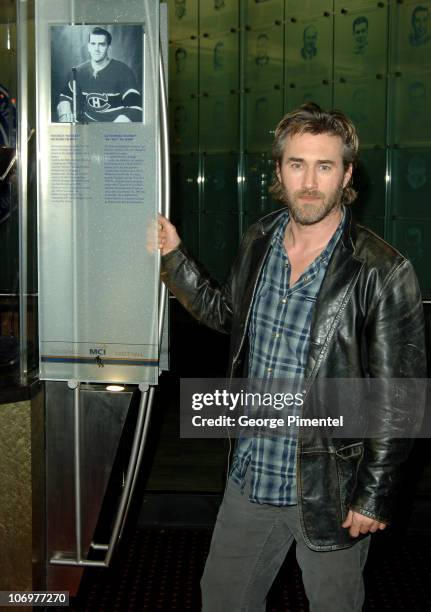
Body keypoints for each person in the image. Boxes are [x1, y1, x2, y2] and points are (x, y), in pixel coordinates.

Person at [158, 103, 426, 611]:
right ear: (278, 170)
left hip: (330, 488)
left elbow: (401, 399)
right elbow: (225, 314)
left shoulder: (382, 270)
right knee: (221, 599)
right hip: (251, 473)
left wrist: (373, 495)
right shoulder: (259, 238)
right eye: (296, 164)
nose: (309, 182)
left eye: (325, 166)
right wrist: (174, 259)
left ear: (347, 174)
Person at [57, 27, 143, 123]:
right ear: (88, 47)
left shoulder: (123, 70)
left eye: (101, 44)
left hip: (114, 129)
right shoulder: (79, 71)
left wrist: (113, 130)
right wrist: (65, 115)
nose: (96, 49)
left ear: (108, 47)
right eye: (93, 44)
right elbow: (65, 96)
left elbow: (136, 107)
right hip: (87, 128)